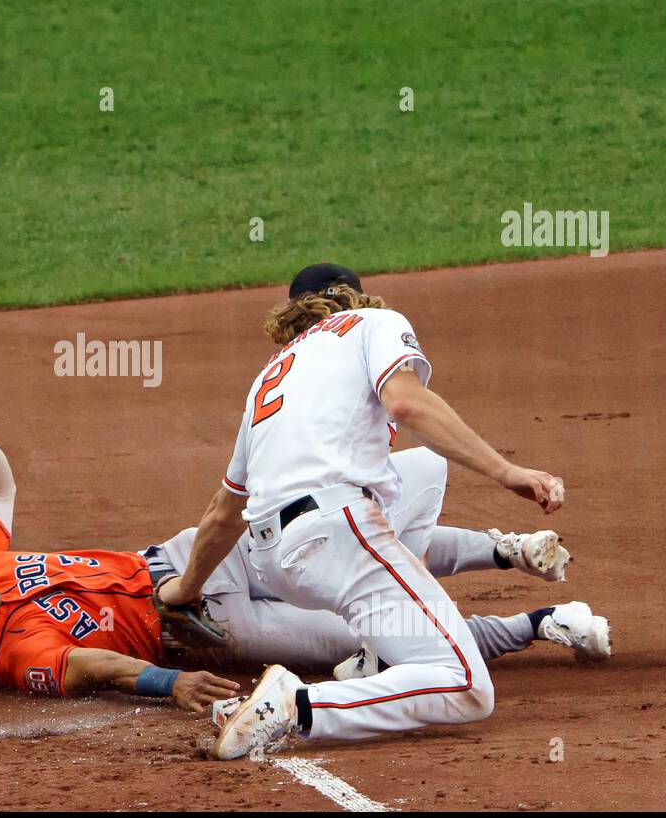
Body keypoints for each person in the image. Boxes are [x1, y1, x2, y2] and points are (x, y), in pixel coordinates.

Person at [0, 417, 609, 713]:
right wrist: (170, 683)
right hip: (211, 625)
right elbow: (89, 669)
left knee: (344, 550)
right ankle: (536, 624)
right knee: (375, 636)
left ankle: (504, 548)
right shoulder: (12, 657)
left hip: (191, 559)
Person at [159, 262, 581, 759]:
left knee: (423, 466)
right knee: (467, 686)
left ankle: (376, 654)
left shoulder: (266, 381)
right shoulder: (373, 325)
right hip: (338, 530)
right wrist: (506, 471)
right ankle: (297, 705)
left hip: (274, 559)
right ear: (357, 298)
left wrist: (184, 589)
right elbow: (407, 404)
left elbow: (224, 512)